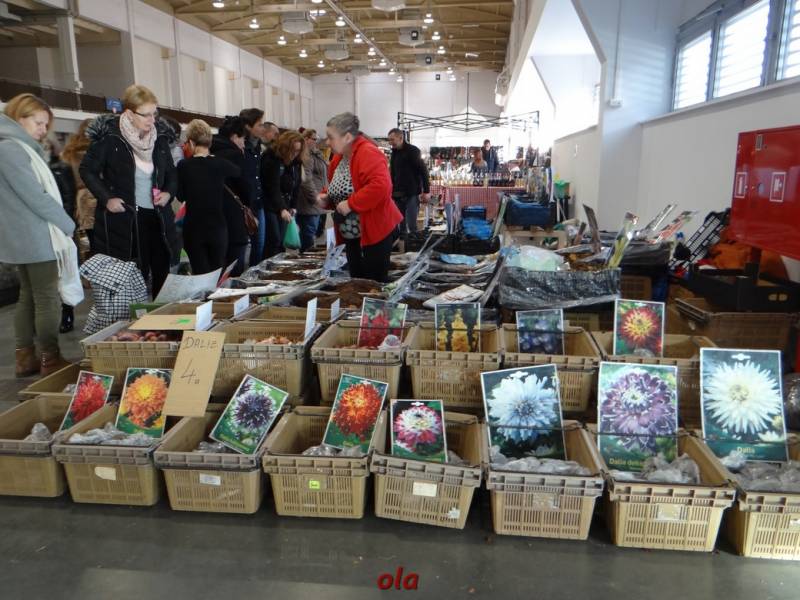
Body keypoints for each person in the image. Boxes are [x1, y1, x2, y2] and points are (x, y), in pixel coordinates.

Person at [0, 94, 76, 376]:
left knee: (29, 296)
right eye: (39, 122)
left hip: (23, 236)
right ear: (19, 118)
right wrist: (66, 224)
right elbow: (36, 196)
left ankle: (26, 358)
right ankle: (50, 358)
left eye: (46, 125)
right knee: (46, 298)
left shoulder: (11, 146)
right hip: (35, 235)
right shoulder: (12, 149)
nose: (43, 130)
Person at [80, 84, 179, 298]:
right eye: (146, 115)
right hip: (126, 219)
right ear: (129, 113)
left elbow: (172, 174)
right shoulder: (110, 138)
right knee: (135, 275)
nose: (152, 120)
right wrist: (107, 198)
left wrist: (168, 193)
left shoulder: (160, 139)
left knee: (163, 271)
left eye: (154, 113)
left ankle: (163, 315)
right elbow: (87, 170)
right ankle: (138, 317)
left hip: (158, 217)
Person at [319, 113, 402, 282]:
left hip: (374, 231)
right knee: (357, 281)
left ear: (347, 137)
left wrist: (351, 204)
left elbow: (381, 186)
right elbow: (341, 187)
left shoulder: (368, 152)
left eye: (330, 137)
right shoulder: (339, 158)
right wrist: (326, 197)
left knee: (372, 283)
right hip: (352, 234)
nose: (327, 142)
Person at [177, 119, 240, 275]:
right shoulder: (221, 164)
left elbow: (180, 196)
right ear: (210, 141)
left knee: (200, 274)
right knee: (216, 273)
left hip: (194, 228)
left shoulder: (184, 166)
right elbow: (238, 173)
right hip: (218, 227)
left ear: (191, 142)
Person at [211, 115, 251, 276]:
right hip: (233, 215)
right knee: (234, 263)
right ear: (234, 136)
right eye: (243, 139)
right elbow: (245, 186)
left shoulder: (209, 151)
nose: (244, 143)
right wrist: (249, 204)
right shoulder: (235, 155)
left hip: (212, 216)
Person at [261, 130, 305, 258]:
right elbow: (272, 186)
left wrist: (293, 206)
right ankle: (268, 265)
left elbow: (296, 185)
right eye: (293, 150)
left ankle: (279, 265)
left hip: (285, 204)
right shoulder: (271, 158)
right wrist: (282, 208)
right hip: (270, 204)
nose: (295, 154)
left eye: (298, 151)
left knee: (281, 240)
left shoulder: (296, 162)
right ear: (285, 147)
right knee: (274, 238)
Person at [387, 128, 430, 233]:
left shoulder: (413, 151)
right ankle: (403, 243)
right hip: (397, 194)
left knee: (412, 225)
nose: (390, 142)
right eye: (389, 140)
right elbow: (393, 172)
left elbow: (423, 171)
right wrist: (391, 190)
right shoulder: (394, 152)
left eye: (392, 140)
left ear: (401, 138)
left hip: (412, 193)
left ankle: (413, 242)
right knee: (400, 225)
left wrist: (426, 191)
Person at [239, 108, 267, 265]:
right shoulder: (241, 147)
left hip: (258, 201)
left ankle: (255, 273)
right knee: (242, 245)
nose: (263, 128)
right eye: (260, 124)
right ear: (248, 127)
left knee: (259, 244)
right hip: (244, 204)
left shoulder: (258, 147)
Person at [297, 129, 327, 252]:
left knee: (311, 233)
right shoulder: (307, 156)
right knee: (308, 235)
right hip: (309, 202)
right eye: (314, 139)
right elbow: (306, 180)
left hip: (316, 200)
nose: (316, 141)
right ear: (306, 139)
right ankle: (306, 259)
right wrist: (315, 197)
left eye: (316, 139)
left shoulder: (316, 154)